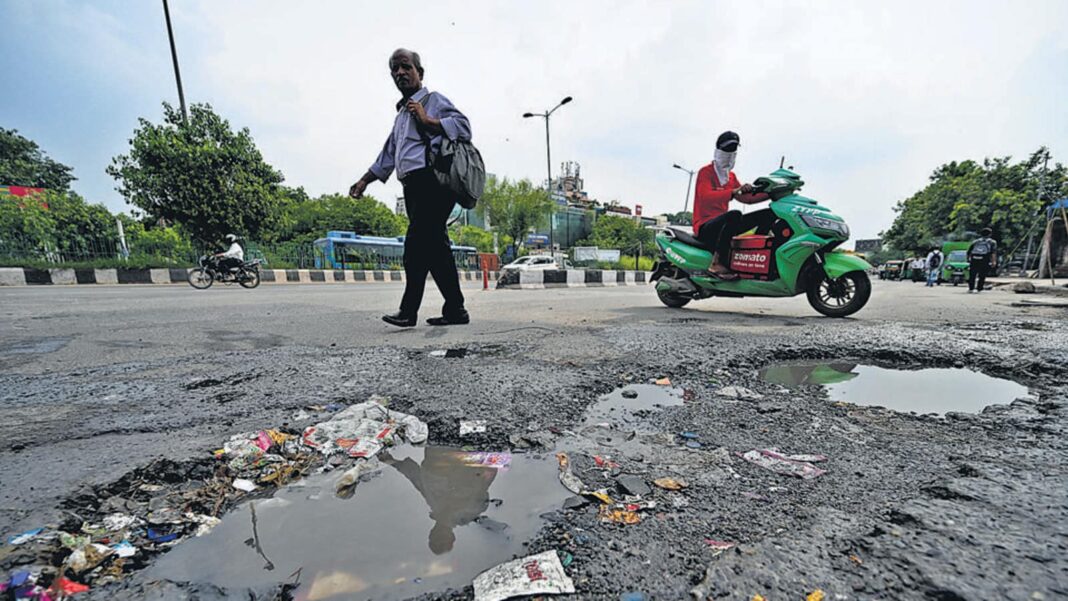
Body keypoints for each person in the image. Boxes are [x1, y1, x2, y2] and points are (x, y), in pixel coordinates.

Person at [350, 48, 472, 328]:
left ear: (420, 72)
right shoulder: (401, 116)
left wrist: (429, 120)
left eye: (406, 67)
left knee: (415, 249)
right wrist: (364, 181)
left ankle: (408, 311)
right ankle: (456, 309)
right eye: (395, 69)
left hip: (434, 182)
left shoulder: (433, 100)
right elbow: (388, 154)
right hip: (413, 188)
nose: (400, 73)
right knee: (435, 250)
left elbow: (464, 127)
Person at [692, 131, 770, 277]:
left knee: (768, 214)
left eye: (733, 150)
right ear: (718, 150)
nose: (730, 153)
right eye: (727, 149)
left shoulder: (731, 177)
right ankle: (716, 263)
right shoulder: (705, 172)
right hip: (705, 226)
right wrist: (734, 192)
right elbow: (705, 197)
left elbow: (747, 199)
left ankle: (756, 260)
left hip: (724, 227)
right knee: (735, 215)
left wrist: (771, 194)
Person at [967, 227, 997, 293]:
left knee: (972, 274)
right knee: (982, 274)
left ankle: (971, 288)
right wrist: (993, 261)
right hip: (984, 259)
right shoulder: (992, 242)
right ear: (990, 234)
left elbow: (969, 251)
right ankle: (979, 288)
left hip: (974, 259)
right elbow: (993, 252)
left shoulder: (975, 241)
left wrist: (968, 259)